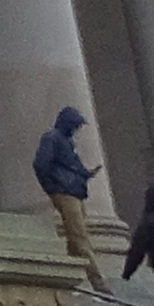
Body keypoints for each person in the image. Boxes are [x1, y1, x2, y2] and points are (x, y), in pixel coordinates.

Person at [32, 104, 99, 262]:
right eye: (75, 124)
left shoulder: (67, 141)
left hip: (75, 191)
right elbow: (41, 164)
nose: (77, 128)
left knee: (75, 234)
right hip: (65, 192)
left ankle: (75, 266)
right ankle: (96, 279)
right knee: (79, 234)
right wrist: (52, 187)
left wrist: (86, 174)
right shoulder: (52, 138)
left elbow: (70, 165)